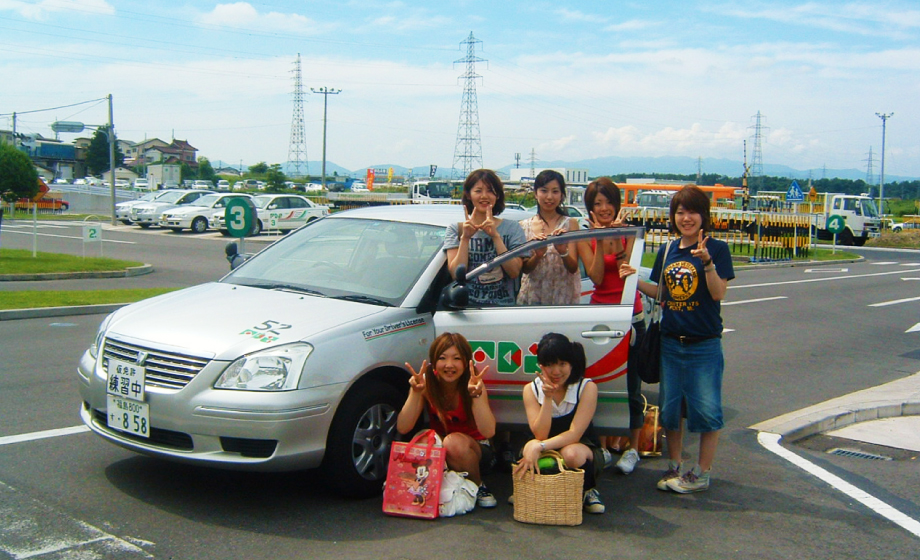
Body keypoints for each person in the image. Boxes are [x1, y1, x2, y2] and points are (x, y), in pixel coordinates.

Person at [620, 185, 734, 493]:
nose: (686, 218)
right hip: (671, 341)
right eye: (680, 212)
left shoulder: (718, 248)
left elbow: (718, 292)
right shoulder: (668, 250)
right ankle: (674, 467)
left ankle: (702, 472)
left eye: (692, 211)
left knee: (707, 409)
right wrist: (634, 279)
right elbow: (662, 293)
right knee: (671, 410)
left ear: (703, 215)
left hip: (704, 343)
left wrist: (707, 262)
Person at [583, 177, 646, 475]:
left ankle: (632, 448)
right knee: (599, 385)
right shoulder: (587, 236)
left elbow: (627, 272)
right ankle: (604, 448)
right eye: (598, 203)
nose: (604, 208)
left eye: (608, 202)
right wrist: (598, 238)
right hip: (599, 317)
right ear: (590, 208)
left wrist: (618, 236)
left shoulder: (630, 232)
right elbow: (596, 278)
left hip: (628, 315)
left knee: (631, 386)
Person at [397, 332, 499, 508]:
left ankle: (477, 485)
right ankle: (424, 489)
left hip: (474, 451)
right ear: (434, 362)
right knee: (422, 437)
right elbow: (403, 427)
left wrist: (476, 396)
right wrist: (415, 392)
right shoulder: (427, 382)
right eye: (442, 358)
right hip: (441, 450)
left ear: (466, 362)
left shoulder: (473, 383)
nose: (449, 365)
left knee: (454, 443)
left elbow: (489, 431)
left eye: (457, 359)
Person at [513, 333, 607, 514]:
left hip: (581, 446)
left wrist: (539, 446)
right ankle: (531, 490)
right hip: (546, 443)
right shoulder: (530, 390)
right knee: (529, 446)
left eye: (562, 364)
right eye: (549, 365)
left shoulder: (586, 387)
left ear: (571, 364)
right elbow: (540, 433)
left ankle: (588, 489)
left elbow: (574, 434)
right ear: (541, 366)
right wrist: (547, 399)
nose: (556, 371)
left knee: (570, 454)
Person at [445, 169, 526, 306]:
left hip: (503, 308)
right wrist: (465, 239)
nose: (484, 196)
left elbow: (514, 272)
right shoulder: (455, 229)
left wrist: (495, 236)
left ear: (498, 195)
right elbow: (455, 274)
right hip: (467, 308)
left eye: (490, 191)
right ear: (469, 195)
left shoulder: (513, 228)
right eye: (478, 191)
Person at [517, 170, 582, 305]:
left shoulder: (570, 224)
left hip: (562, 296)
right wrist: (537, 256)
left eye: (555, 191)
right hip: (532, 296)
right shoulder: (523, 226)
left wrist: (563, 252)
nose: (549, 197)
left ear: (562, 195)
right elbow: (525, 269)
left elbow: (573, 267)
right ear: (536, 193)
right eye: (544, 191)